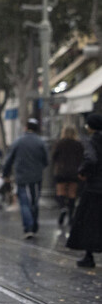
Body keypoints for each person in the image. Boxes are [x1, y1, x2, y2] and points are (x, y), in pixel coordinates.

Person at [1, 118, 49, 239]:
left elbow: (9, 159)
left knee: (24, 203)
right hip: (36, 177)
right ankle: (34, 225)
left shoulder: (18, 141)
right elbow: (46, 160)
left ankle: (28, 227)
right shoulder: (40, 142)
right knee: (34, 201)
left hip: (22, 177)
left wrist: (5, 173)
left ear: (26, 127)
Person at [67, 114, 102, 268]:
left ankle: (89, 255)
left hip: (94, 187)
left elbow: (91, 159)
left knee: (89, 220)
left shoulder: (92, 141)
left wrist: (82, 171)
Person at [52, 125, 85, 227]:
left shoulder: (59, 143)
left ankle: (63, 208)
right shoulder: (78, 144)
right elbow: (82, 158)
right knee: (72, 194)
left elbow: (54, 157)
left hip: (61, 171)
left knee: (60, 191)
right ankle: (70, 217)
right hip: (74, 172)